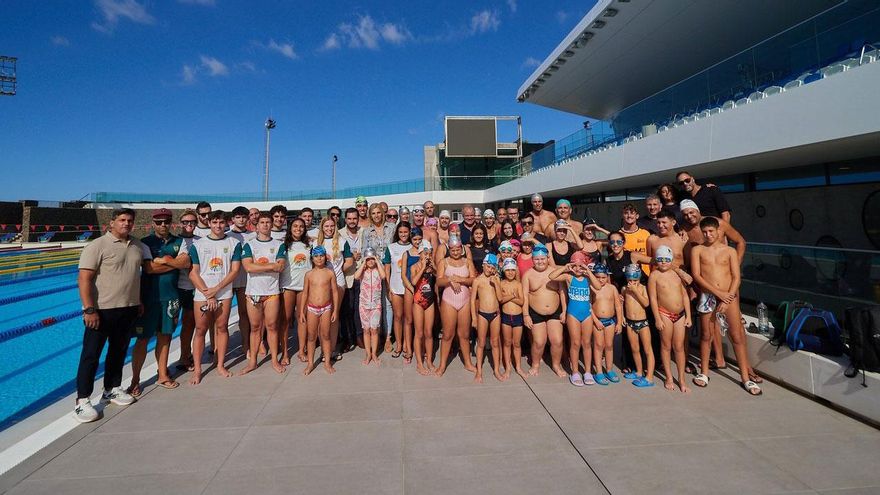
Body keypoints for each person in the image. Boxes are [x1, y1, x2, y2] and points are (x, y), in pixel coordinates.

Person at [73, 208, 145, 422]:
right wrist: (89, 309)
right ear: (111, 222)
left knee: (118, 351)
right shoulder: (97, 246)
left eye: (130, 220)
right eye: (122, 220)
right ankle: (82, 399)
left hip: (128, 308)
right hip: (101, 310)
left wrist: (138, 301)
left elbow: (134, 276)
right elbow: (84, 279)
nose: (126, 223)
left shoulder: (136, 246)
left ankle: (111, 388)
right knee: (91, 355)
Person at [691, 217, 762, 395]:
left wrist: (726, 297)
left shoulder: (729, 251)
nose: (708, 235)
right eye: (704, 232)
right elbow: (697, 276)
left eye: (711, 231)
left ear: (718, 232)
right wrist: (718, 294)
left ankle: (745, 377)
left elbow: (736, 277)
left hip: (728, 297)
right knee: (706, 335)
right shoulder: (697, 250)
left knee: (736, 335)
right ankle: (704, 373)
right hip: (708, 296)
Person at [129, 208, 186, 397]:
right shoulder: (144, 243)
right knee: (142, 339)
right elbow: (149, 268)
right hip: (148, 298)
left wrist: (165, 261)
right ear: (153, 223)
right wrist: (173, 262)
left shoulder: (180, 241)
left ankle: (162, 375)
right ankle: (135, 380)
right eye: (159, 222)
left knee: (165, 336)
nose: (163, 225)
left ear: (171, 222)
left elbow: (184, 264)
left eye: (166, 221)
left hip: (171, 298)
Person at [188, 210, 242, 385]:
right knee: (201, 330)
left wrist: (217, 289)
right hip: (202, 293)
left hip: (224, 293)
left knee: (222, 328)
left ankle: (220, 364)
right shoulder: (198, 244)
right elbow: (193, 273)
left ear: (226, 224)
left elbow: (234, 271)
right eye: (215, 222)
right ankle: (197, 369)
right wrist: (207, 293)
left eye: (221, 223)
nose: (218, 226)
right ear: (209, 223)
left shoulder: (234, 243)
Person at [240, 211, 287, 375]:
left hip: (271, 292)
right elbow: (248, 267)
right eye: (262, 222)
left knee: (272, 327)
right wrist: (270, 266)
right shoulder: (249, 245)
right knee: (254, 327)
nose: (266, 225)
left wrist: (258, 267)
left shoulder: (278, 244)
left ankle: (274, 360)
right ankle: (253, 361)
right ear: (256, 225)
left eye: (268, 222)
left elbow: (280, 267)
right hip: (253, 292)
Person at [548, 251, 600, 387]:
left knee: (587, 343)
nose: (578, 269)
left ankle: (588, 372)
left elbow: (598, 287)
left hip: (587, 314)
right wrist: (565, 267)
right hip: (573, 314)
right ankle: (575, 371)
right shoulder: (569, 277)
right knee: (575, 343)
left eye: (581, 266)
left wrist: (588, 271)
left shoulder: (588, 277)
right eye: (575, 266)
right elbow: (551, 276)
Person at [648, 245, 692, 393]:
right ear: (656, 260)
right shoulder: (654, 275)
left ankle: (681, 379)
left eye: (666, 259)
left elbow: (685, 295)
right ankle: (668, 377)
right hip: (664, 314)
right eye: (660, 259)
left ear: (671, 260)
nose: (663, 262)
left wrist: (688, 315)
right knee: (666, 346)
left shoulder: (676, 274)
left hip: (680, 315)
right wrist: (657, 318)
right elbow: (653, 299)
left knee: (679, 348)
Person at [521, 243, 566, 378]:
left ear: (547, 258)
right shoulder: (528, 275)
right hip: (535, 313)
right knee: (539, 342)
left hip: (555, 311)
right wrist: (526, 315)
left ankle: (556, 365)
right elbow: (524, 296)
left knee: (557, 340)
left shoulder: (555, 273)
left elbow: (562, 293)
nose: (540, 261)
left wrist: (564, 310)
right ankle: (535, 364)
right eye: (537, 259)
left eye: (542, 258)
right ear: (532, 260)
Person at [435, 235, 476, 376]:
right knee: (447, 334)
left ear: (462, 249)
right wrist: (449, 280)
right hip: (449, 301)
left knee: (464, 335)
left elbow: (473, 280)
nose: (455, 252)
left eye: (458, 249)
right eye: (452, 250)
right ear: (449, 250)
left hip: (465, 301)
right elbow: (438, 281)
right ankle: (441, 366)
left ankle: (468, 363)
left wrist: (461, 279)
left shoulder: (468, 262)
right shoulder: (443, 262)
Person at [315, 217, 354, 361]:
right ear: (322, 227)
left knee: (333, 317)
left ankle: (332, 349)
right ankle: (323, 350)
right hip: (320, 285)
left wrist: (335, 271)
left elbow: (349, 261)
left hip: (338, 283)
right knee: (321, 317)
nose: (329, 228)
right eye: (326, 226)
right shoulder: (317, 243)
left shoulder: (342, 241)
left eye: (332, 226)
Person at [299, 245, 340, 375]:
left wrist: (335, 311)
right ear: (312, 258)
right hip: (312, 309)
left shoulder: (330, 273)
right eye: (316, 256)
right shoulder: (309, 275)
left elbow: (335, 292)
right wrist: (301, 311)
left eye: (321, 255)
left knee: (326, 335)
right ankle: (310, 363)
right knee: (311, 336)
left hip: (326, 308)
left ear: (325, 257)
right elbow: (305, 294)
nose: (319, 258)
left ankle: (327, 363)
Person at [228, 206, 258, 362]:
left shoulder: (253, 236)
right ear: (233, 219)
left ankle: (246, 344)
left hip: (246, 281)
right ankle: (215, 347)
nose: (241, 220)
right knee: (220, 317)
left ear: (248, 219)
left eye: (243, 217)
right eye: (238, 217)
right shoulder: (226, 236)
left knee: (244, 314)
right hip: (228, 282)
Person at [281, 218, 311, 364]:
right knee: (286, 320)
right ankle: (285, 352)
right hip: (288, 286)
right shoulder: (284, 244)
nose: (298, 229)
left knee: (302, 318)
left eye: (301, 226)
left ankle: (301, 350)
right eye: (295, 226)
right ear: (290, 228)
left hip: (304, 287)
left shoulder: (309, 244)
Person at [588, 264, 623, 385]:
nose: (600, 280)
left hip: (610, 321)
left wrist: (619, 322)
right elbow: (589, 306)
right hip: (598, 321)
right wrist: (595, 320)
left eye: (603, 277)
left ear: (607, 276)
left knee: (609, 346)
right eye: (597, 277)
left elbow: (618, 306)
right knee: (598, 346)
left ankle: (609, 369)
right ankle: (598, 371)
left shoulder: (612, 288)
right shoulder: (592, 288)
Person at [470, 253, 504, 383]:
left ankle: (496, 369)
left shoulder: (496, 279)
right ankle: (479, 370)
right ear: (483, 265)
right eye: (488, 267)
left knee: (495, 343)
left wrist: (496, 284)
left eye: (492, 268)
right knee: (481, 343)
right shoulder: (477, 281)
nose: (490, 270)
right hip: (482, 315)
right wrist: (474, 318)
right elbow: (472, 300)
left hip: (495, 314)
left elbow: (500, 299)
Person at [622, 264, 655, 388]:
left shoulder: (642, 288)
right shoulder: (624, 289)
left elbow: (646, 304)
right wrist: (623, 317)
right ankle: (639, 371)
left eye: (635, 281)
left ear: (639, 279)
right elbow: (623, 304)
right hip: (630, 323)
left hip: (643, 323)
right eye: (629, 280)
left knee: (647, 350)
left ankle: (649, 377)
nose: (632, 283)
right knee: (634, 349)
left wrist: (636, 291)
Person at [406, 240, 437, 375]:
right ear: (420, 254)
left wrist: (432, 265)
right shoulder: (414, 266)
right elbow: (413, 282)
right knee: (418, 333)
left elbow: (439, 275)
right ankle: (419, 363)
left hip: (430, 301)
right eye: (425, 253)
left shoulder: (432, 267)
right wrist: (423, 266)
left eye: (429, 253)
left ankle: (429, 360)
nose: (427, 256)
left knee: (429, 332)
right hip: (418, 301)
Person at [174, 209, 199, 372]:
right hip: (176, 288)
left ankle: (185, 355)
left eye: (192, 222)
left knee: (190, 324)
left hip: (193, 288)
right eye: (185, 222)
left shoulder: (201, 241)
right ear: (180, 223)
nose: (189, 225)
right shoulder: (174, 241)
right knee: (171, 326)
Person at [384, 222, 412, 360]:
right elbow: (387, 268)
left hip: (409, 288)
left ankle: (407, 344)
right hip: (395, 287)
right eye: (400, 232)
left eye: (405, 232)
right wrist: (388, 287)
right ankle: (399, 344)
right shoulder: (391, 247)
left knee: (408, 318)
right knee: (398, 316)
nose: (403, 235)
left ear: (409, 232)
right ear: (397, 233)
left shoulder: (415, 247)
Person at [355, 247, 385, 366]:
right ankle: (368, 353)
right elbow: (356, 277)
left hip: (376, 305)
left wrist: (377, 260)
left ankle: (374, 353)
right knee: (366, 330)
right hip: (364, 305)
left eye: (372, 259)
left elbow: (383, 276)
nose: (370, 261)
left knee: (374, 330)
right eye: (368, 259)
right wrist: (363, 262)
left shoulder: (378, 270)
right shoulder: (363, 271)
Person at [498, 258, 526, 379]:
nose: (510, 272)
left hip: (517, 317)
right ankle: (508, 367)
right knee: (507, 343)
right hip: (506, 317)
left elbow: (521, 301)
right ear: (504, 270)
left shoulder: (518, 284)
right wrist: (512, 295)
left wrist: (509, 297)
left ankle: (518, 367)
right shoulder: (501, 283)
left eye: (512, 270)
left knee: (517, 343)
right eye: (508, 270)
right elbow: (500, 299)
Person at [340, 208, 362, 352]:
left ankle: (359, 336)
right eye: (349, 218)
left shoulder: (364, 232)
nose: (352, 221)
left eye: (354, 218)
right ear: (345, 219)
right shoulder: (339, 234)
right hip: (346, 276)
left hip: (361, 275)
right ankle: (347, 338)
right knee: (347, 309)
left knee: (359, 309)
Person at [620, 203, 651, 274]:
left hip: (645, 277)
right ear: (622, 215)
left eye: (632, 213)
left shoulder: (645, 234)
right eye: (626, 213)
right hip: (626, 278)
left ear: (637, 216)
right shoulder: (619, 235)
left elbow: (651, 257)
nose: (629, 216)